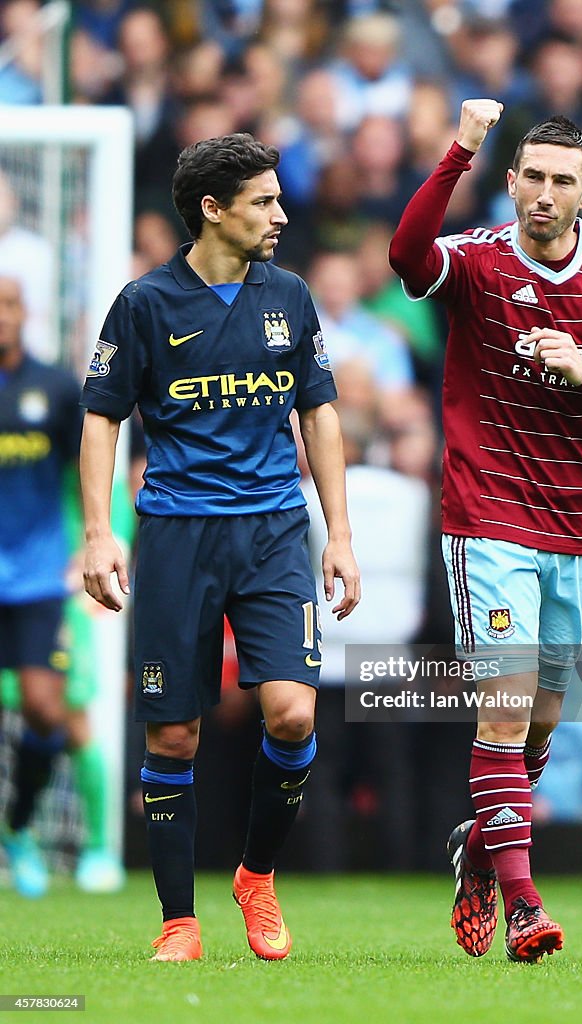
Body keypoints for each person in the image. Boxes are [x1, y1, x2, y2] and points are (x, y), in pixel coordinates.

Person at [389, 99, 582, 963]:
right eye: (533, 178)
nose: (545, 194)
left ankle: (479, 850)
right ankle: (523, 903)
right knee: (506, 712)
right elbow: (406, 258)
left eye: (563, 181)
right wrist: (461, 147)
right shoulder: (476, 262)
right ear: (510, 183)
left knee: (543, 725)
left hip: (579, 524)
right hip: (486, 515)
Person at [79, 133, 360, 962]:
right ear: (212, 208)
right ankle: (179, 921)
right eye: (263, 201)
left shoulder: (291, 297)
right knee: (174, 737)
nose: (280, 213)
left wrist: (337, 531)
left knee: (293, 710)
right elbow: (102, 415)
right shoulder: (144, 304)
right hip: (175, 533)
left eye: (277, 198)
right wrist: (100, 530)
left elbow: (319, 412)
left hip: (274, 528)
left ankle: (257, 875)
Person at [0, 274, 120, 897]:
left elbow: (89, 469)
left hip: (34, 582)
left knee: (50, 710)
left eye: (11, 304)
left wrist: (95, 540)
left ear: (28, 312)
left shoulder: (51, 387)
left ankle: (19, 831)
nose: (3, 315)